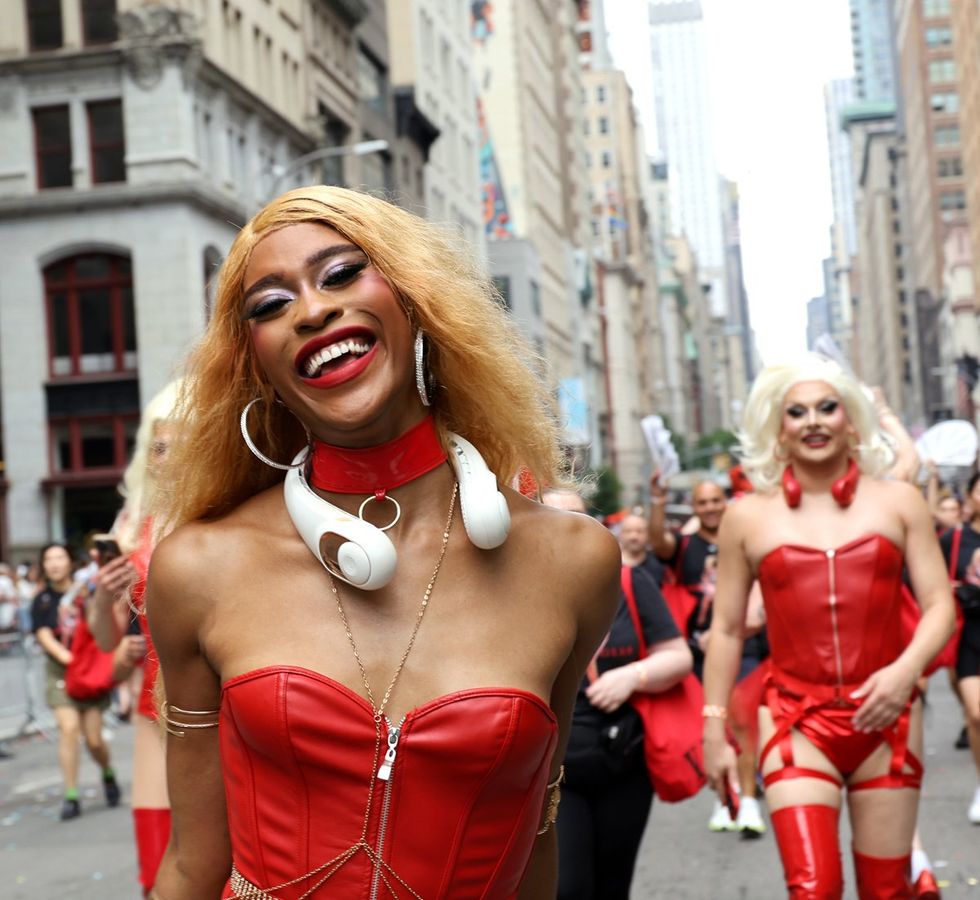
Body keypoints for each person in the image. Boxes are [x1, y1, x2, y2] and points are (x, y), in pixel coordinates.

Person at [145, 185, 622, 899]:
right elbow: (192, 865)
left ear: (415, 301)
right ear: (257, 365)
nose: (312, 310)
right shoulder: (198, 569)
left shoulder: (573, 562)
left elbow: (537, 839)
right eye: (271, 305)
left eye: (341, 273)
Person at [703, 355, 955, 899]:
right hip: (794, 720)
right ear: (779, 427)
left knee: (887, 890)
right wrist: (713, 726)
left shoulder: (900, 501)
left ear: (850, 420)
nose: (813, 420)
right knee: (814, 889)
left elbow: (940, 606)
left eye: (826, 407)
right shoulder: (747, 516)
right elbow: (725, 629)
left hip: (887, 719)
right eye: (797, 411)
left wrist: (904, 671)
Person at [543, 490, 690, 900]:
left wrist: (633, 675)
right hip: (555, 771)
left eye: (578, 519)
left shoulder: (627, 580)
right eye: (551, 518)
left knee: (613, 887)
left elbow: (677, 656)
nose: (566, 529)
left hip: (622, 761)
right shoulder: (515, 592)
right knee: (569, 888)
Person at [88, 380, 181, 897]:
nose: (165, 460)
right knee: (157, 868)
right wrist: (104, 600)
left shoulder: (225, 514)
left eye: (180, 446)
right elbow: (106, 639)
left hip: (223, 704)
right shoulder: (131, 528)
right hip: (153, 709)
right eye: (158, 446)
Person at [649, 474, 768, 834]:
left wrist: (752, 622)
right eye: (703, 503)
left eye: (716, 500)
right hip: (699, 654)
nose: (711, 507)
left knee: (743, 724)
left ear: (726, 501)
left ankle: (747, 802)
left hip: (745, 648)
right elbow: (658, 541)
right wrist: (658, 501)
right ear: (695, 508)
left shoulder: (744, 539)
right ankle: (724, 800)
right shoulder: (685, 546)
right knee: (713, 728)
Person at [30, 543, 133, 820]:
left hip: (89, 673)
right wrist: (67, 657)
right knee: (68, 729)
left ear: (70, 562)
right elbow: (42, 634)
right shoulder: (41, 600)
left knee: (94, 739)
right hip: (61, 674)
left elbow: (104, 624)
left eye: (59, 557)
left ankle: (108, 773)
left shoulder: (87, 592)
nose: (54, 564)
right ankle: (71, 796)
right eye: (48, 559)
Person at [939, 472, 980, 824]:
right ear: (971, 496)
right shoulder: (954, 538)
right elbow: (929, 580)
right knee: (977, 715)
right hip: (970, 633)